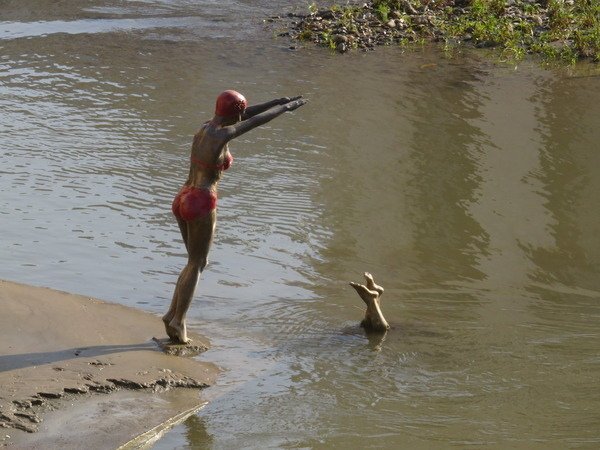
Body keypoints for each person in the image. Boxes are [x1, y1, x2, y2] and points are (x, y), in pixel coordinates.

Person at [163, 90, 307, 343]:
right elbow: (254, 122)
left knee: (193, 262)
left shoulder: (206, 127)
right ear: (235, 113)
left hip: (183, 195)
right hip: (201, 200)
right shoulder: (224, 135)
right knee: (198, 263)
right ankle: (179, 321)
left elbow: (246, 115)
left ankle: (172, 313)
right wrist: (286, 108)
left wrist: (275, 101)